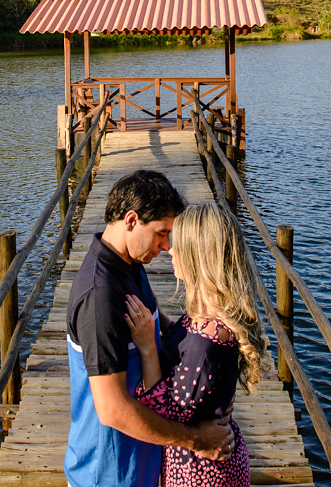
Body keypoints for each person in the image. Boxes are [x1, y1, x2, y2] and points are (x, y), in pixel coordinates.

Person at [65, 171, 236, 487]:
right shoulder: (100, 297)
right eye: (161, 233)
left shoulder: (131, 266)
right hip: (109, 473)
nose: (167, 245)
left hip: (141, 464)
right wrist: (196, 440)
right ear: (131, 221)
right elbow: (112, 410)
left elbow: (164, 330)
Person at [124, 204, 269, 487]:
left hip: (200, 473)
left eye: (179, 246)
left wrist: (148, 349)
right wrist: (153, 313)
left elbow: (166, 413)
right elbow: (182, 334)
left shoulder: (206, 347)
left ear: (199, 258)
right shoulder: (207, 318)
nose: (169, 250)